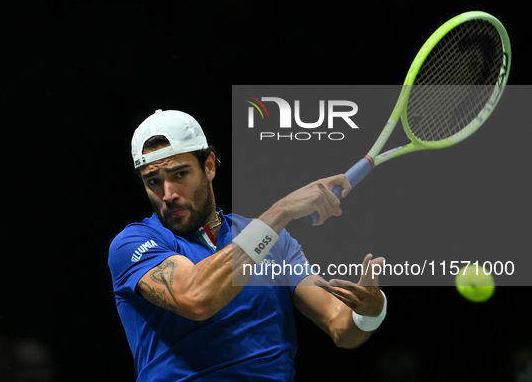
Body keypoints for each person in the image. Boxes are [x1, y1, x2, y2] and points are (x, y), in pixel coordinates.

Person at [108, 109, 386, 381]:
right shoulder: (133, 244)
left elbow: (340, 325)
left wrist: (370, 312)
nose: (168, 194)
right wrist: (283, 210)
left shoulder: (276, 243)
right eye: (154, 181)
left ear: (209, 166)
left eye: (179, 174)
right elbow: (196, 298)